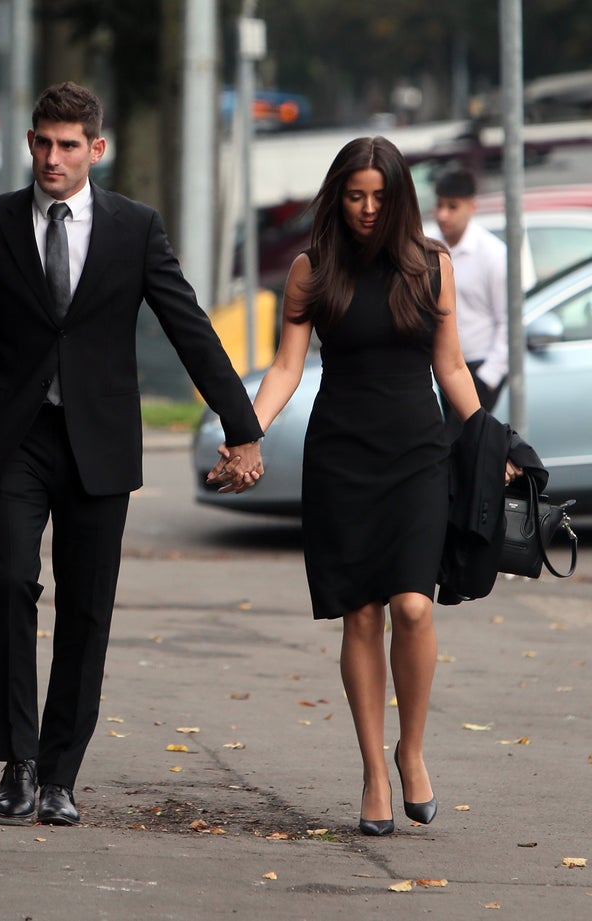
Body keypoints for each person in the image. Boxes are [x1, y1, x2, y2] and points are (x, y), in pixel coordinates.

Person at [0, 82, 264, 826]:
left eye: (68, 145)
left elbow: (188, 326)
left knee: (86, 609)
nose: (52, 156)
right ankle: (17, 760)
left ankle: (61, 773)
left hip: (99, 445)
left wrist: (242, 424)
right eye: (42, 142)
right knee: (9, 584)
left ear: (95, 150)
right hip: (14, 439)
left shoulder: (134, 229)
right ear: (31, 144)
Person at [209, 137, 521, 835]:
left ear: (400, 198)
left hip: (416, 453)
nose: (368, 209)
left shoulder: (431, 267)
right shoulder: (310, 270)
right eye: (355, 196)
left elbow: (454, 370)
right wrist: (247, 432)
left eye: (380, 197)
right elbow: (287, 369)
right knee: (361, 614)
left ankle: (410, 749)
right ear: (337, 197)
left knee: (413, 605)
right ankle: (373, 770)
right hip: (341, 457)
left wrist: (491, 439)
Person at [433, 168, 508, 420]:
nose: (443, 214)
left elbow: (509, 319)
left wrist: (489, 377)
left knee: (472, 450)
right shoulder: (427, 246)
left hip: (475, 367)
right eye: (440, 205)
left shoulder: (493, 253)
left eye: (452, 207)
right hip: (435, 367)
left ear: (472, 207)